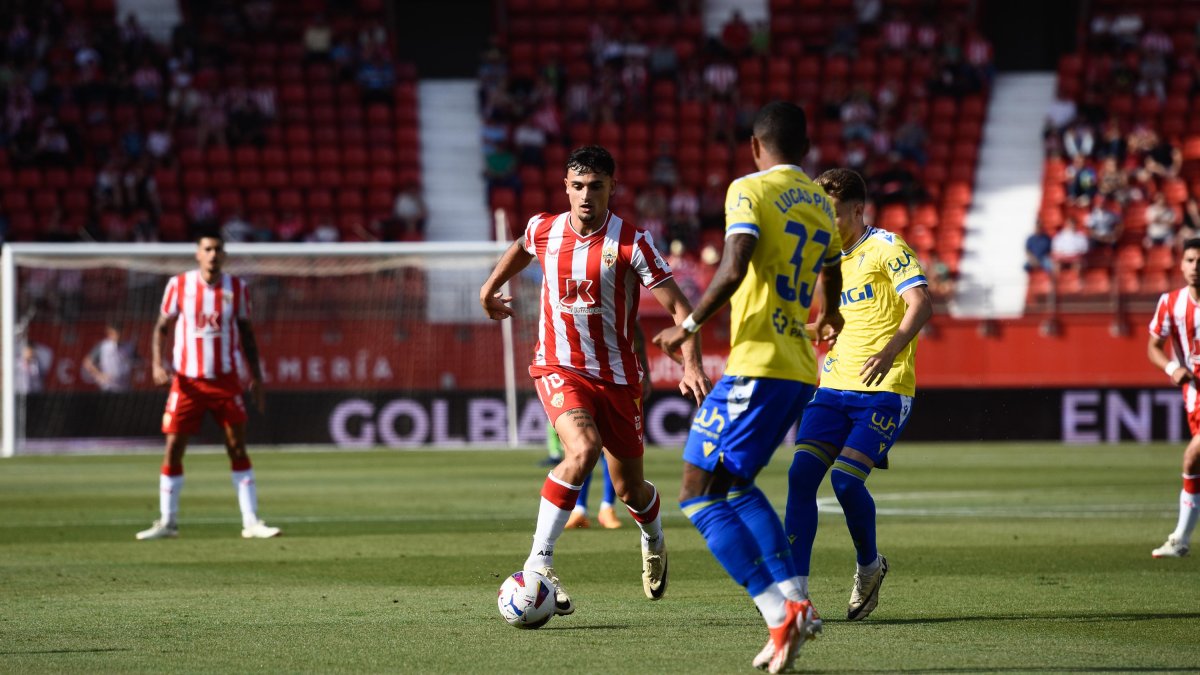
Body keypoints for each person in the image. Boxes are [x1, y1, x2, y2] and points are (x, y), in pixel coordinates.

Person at [479, 145, 709, 617]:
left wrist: (692, 365)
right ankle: (538, 564)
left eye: (596, 186)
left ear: (612, 188)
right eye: (578, 186)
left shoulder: (631, 244)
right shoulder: (544, 229)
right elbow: (521, 248)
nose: (586, 195)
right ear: (565, 186)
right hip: (558, 366)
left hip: (619, 379)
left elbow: (681, 309)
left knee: (630, 491)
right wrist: (488, 289)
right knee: (581, 451)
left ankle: (654, 538)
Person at [654, 101, 843, 675]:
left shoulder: (749, 188)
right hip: (796, 366)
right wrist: (828, 316)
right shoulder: (821, 203)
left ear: (756, 147)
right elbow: (832, 266)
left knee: (694, 491)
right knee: (734, 484)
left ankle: (777, 610)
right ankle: (796, 603)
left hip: (757, 363)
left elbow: (735, 265)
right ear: (805, 150)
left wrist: (686, 326)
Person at [784, 168, 932, 631]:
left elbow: (922, 302)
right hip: (832, 387)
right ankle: (796, 596)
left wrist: (891, 350)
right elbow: (831, 325)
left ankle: (870, 566)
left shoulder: (886, 246)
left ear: (856, 210)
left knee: (846, 483)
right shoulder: (825, 260)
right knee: (801, 474)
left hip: (885, 390)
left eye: (832, 212)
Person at [136, 232, 280, 541]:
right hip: (186, 381)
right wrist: (157, 365)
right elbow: (162, 327)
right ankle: (168, 522)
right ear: (197, 254)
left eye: (218, 249)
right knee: (174, 448)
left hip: (226, 381)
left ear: (224, 254)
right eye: (207, 249)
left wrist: (257, 377)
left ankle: (251, 522)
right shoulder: (178, 285)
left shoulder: (237, 288)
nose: (213, 254)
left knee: (237, 446)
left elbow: (247, 334)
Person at [1146, 237, 1200, 558]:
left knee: (1192, 457)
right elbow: (1153, 345)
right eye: (1190, 261)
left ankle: (1180, 539)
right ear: (1180, 265)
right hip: (1194, 396)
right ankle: (1180, 540)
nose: (1195, 267)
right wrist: (1171, 367)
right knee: (1193, 461)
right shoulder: (1170, 303)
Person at [82, 321, 138, 392]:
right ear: (109, 333)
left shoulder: (130, 346)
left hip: (125, 388)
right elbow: (87, 363)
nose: (117, 336)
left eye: (120, 333)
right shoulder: (103, 346)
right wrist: (99, 375)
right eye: (115, 333)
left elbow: (138, 362)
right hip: (108, 388)